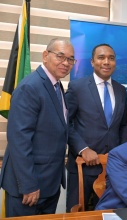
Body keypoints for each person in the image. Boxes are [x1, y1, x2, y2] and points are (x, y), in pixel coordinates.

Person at [0, 38, 75, 217]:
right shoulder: (30, 87)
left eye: (70, 59)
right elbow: (19, 140)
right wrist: (29, 185)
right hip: (28, 188)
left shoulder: (56, 86)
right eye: (60, 56)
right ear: (45, 56)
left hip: (49, 184)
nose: (66, 63)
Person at [65, 43, 127, 211]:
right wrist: (83, 148)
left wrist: (122, 154)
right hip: (82, 167)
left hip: (112, 169)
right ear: (92, 62)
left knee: (109, 215)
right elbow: (65, 123)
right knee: (76, 216)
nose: (106, 62)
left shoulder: (121, 90)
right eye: (101, 58)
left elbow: (123, 125)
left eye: (111, 58)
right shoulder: (77, 87)